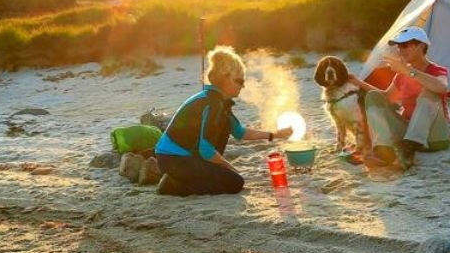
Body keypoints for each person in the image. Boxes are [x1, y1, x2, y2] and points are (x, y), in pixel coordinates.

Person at [155, 45, 291, 196]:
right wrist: (229, 167)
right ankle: (172, 186)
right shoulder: (213, 104)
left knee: (230, 179)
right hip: (174, 159)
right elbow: (206, 150)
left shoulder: (219, 101)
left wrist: (275, 135)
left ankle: (179, 180)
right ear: (226, 79)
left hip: (179, 157)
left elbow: (239, 132)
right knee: (234, 183)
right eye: (239, 80)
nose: (243, 85)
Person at [314, 55, 409, 167]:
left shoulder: (350, 95)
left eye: (334, 67)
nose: (330, 70)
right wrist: (340, 146)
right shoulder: (337, 98)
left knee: (357, 123)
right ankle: (341, 145)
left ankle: (361, 148)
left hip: (381, 135)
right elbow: (340, 124)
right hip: (374, 135)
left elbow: (359, 123)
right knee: (339, 124)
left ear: (340, 72)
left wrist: (360, 148)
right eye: (325, 67)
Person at [373, 25, 450, 152]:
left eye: (405, 45)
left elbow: (441, 87)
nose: (400, 50)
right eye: (399, 46)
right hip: (407, 133)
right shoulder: (402, 74)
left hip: (435, 137)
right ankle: (383, 148)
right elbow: (387, 98)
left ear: (421, 46)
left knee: (429, 90)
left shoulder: (436, 71)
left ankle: (412, 144)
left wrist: (408, 71)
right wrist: (357, 84)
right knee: (373, 96)